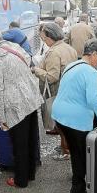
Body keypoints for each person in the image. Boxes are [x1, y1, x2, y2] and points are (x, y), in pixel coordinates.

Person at [0, 24, 43, 188]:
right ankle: (30, 174)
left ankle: (21, 180)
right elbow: (29, 63)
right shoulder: (14, 47)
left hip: (15, 105)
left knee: (19, 143)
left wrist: (2, 117)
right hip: (31, 99)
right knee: (30, 139)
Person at [51, 39, 97, 193]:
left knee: (74, 148)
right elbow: (93, 99)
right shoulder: (90, 72)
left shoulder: (72, 64)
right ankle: (78, 187)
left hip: (59, 114)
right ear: (92, 55)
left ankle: (78, 176)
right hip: (75, 118)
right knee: (80, 152)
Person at [33, 22, 78, 159]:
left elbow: (52, 77)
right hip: (70, 91)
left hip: (57, 92)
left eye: (44, 39)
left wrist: (36, 70)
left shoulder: (54, 52)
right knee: (68, 124)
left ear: (51, 36)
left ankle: (66, 151)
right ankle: (68, 148)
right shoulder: (69, 48)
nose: (44, 42)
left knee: (61, 125)